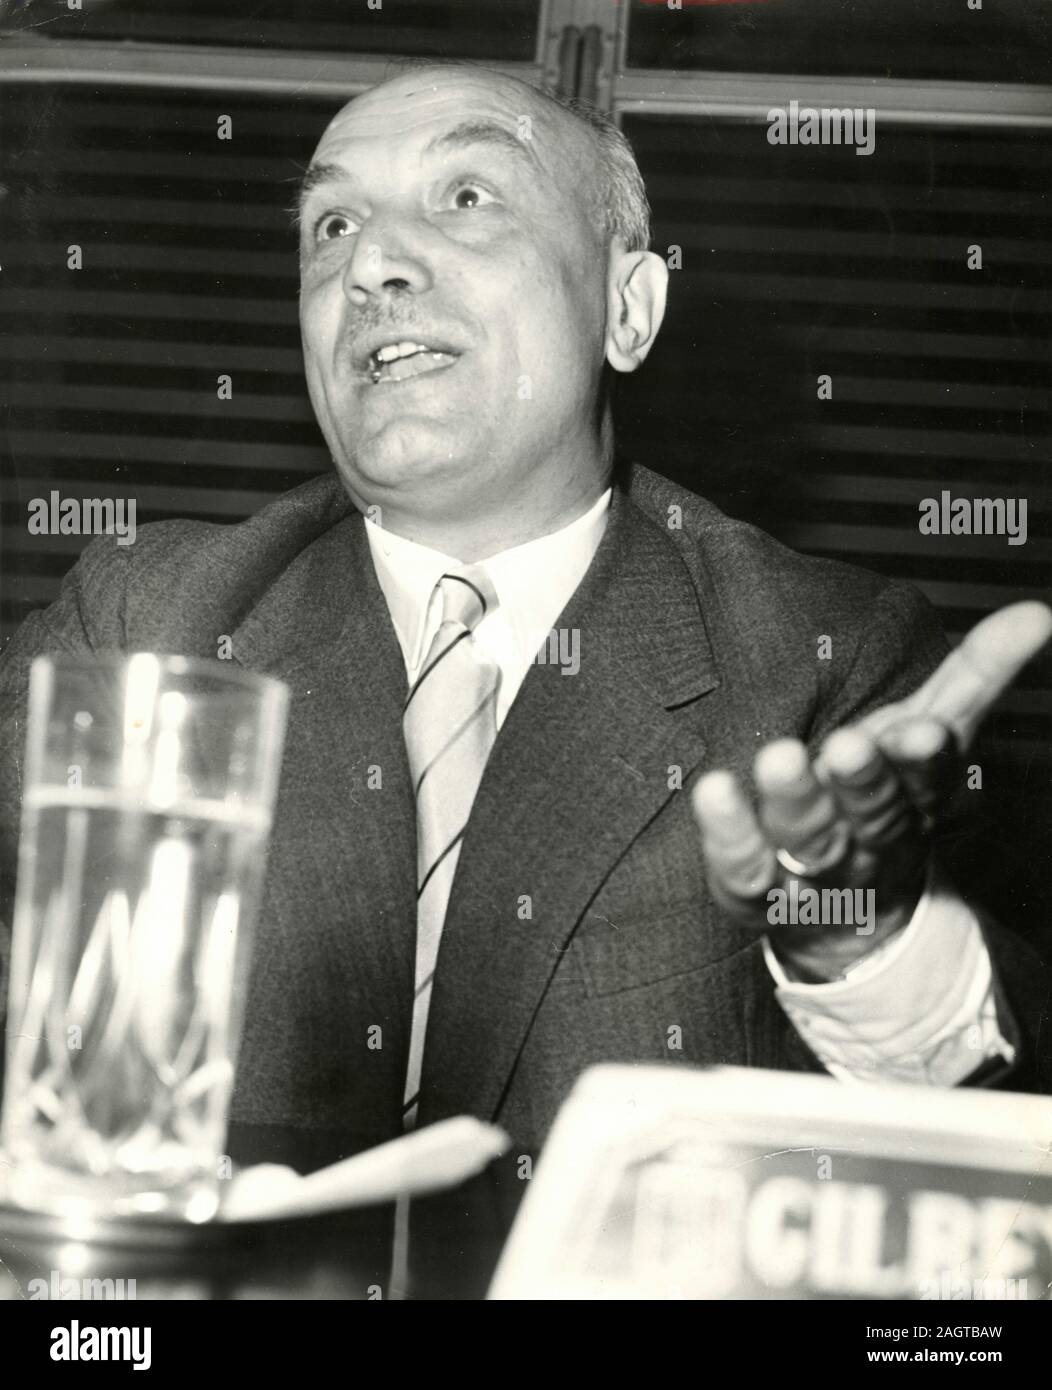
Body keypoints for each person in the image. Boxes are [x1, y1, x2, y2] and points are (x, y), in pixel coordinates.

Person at [1, 65, 1049, 1155]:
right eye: (332, 222)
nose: (370, 265)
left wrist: (855, 941)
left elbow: (992, 1135)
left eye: (466, 198)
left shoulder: (822, 659)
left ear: (624, 309)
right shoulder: (151, 620)